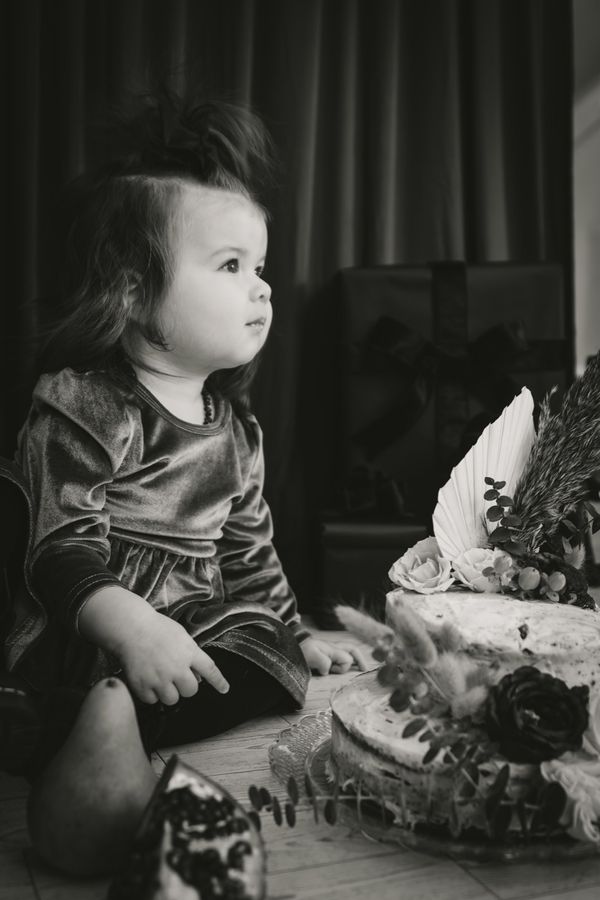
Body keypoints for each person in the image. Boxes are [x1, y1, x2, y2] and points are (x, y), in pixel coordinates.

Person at [0, 94, 365, 809]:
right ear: (135, 293)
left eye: (261, 267)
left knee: (273, 651)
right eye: (230, 266)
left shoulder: (236, 432)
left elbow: (249, 555)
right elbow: (59, 547)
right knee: (72, 674)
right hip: (98, 630)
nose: (260, 288)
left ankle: (116, 725)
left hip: (197, 628)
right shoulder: (89, 405)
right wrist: (134, 627)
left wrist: (293, 635)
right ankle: (74, 716)